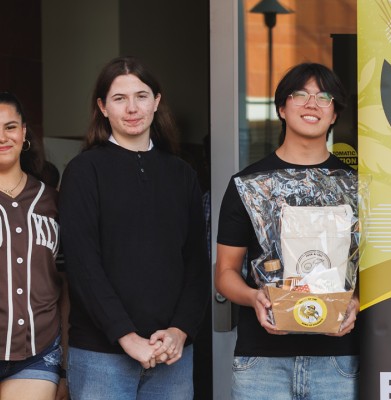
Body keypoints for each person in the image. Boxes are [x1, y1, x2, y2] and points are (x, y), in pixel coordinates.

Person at [59, 56, 210, 399]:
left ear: (157, 102)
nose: (132, 108)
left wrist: (180, 331)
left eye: (141, 96)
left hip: (172, 355)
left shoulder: (181, 174)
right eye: (119, 98)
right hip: (102, 356)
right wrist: (127, 337)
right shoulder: (85, 171)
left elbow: (197, 265)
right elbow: (84, 266)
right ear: (102, 107)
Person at [215, 63, 359, 400]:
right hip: (262, 362)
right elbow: (224, 272)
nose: (312, 104)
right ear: (282, 108)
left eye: (324, 97)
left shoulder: (357, 187)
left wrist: (356, 301)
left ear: (335, 114)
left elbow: (376, 273)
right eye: (300, 95)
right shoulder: (248, 186)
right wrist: (254, 297)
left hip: (338, 361)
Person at [0, 92, 67, 400]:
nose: (3, 137)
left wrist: (66, 363)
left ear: (24, 132)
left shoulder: (53, 202)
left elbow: (67, 284)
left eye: (10, 127)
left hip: (37, 352)